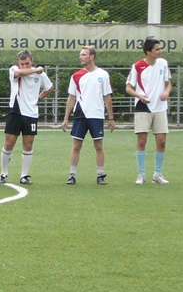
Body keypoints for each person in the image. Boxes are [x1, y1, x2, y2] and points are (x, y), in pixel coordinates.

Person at [62, 45, 115, 185]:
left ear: (92, 56)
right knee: (76, 146)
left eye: (84, 54)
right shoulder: (76, 76)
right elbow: (71, 97)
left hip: (96, 115)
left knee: (98, 145)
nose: (81, 57)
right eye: (80, 54)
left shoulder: (103, 75)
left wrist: (111, 118)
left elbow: (107, 97)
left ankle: (100, 175)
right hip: (80, 115)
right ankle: (72, 175)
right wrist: (66, 118)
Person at [0, 50, 53, 185]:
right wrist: (36, 70)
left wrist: (39, 98)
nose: (24, 66)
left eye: (27, 63)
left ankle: (24, 175)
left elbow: (50, 87)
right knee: (9, 143)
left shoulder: (40, 74)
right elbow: (19, 73)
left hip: (31, 113)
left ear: (32, 61)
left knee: (28, 144)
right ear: (18, 63)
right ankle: (4, 173)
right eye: (22, 64)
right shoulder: (15, 70)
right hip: (15, 111)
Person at [126, 38, 172, 185]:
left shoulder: (163, 63)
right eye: (157, 49)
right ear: (149, 52)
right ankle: (141, 175)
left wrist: (166, 92)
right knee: (142, 140)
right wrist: (139, 95)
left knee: (162, 141)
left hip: (160, 107)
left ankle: (157, 174)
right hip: (143, 107)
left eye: (160, 48)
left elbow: (168, 84)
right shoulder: (137, 66)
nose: (160, 51)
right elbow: (129, 87)